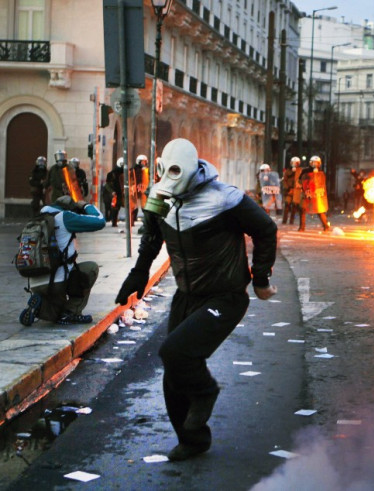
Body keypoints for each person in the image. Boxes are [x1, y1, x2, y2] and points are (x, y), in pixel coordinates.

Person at [114, 138, 278, 461]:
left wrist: (260, 277)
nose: (170, 179)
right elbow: (151, 238)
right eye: (166, 171)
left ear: (190, 169)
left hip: (225, 295)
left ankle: (205, 392)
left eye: (177, 171)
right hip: (187, 295)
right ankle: (193, 440)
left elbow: (266, 228)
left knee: (174, 351)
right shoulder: (161, 196)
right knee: (173, 372)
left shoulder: (225, 198)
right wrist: (139, 273)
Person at [19, 195, 106, 326]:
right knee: (91, 268)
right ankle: (71, 312)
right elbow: (100, 221)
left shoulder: (38, 217)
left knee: (54, 311)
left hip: (34, 281)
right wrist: (85, 206)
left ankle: (40, 302)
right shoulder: (65, 216)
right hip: (57, 282)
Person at [298, 156, 330, 232]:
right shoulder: (305, 171)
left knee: (319, 209)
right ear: (310, 163)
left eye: (317, 163)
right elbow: (300, 180)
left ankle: (326, 226)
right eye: (313, 162)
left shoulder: (321, 172)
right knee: (302, 209)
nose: (315, 164)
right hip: (307, 193)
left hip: (316, 194)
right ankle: (302, 227)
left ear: (319, 164)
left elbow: (323, 183)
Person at [281, 157, 301, 225]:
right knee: (287, 204)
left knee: (294, 206)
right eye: (293, 163)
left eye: (296, 163)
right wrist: (287, 187)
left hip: (296, 191)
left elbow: (303, 180)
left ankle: (291, 220)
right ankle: (284, 220)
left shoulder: (300, 171)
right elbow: (284, 180)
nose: (294, 164)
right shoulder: (288, 171)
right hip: (289, 190)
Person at [106, 158, 125, 227]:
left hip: (123, 192)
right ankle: (114, 221)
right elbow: (108, 184)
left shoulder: (126, 173)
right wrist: (112, 192)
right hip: (116, 193)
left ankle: (130, 222)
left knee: (130, 207)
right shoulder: (112, 174)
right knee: (115, 208)